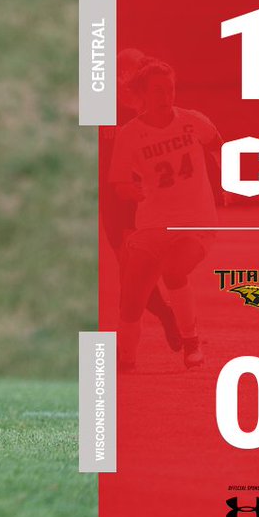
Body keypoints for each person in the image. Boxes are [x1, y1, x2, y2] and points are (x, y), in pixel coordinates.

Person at [109, 58, 223, 371]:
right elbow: (119, 183)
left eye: (170, 88)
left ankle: (192, 343)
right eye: (158, 90)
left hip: (196, 221)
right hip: (152, 224)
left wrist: (229, 179)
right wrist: (131, 190)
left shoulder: (192, 121)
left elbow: (217, 144)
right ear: (143, 95)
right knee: (132, 297)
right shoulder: (129, 134)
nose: (166, 95)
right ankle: (126, 359)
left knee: (174, 270)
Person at [99, 48, 182, 351]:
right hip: (110, 198)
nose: (122, 77)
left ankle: (136, 342)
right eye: (119, 71)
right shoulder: (101, 109)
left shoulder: (152, 112)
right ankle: (167, 314)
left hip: (138, 197)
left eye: (129, 71)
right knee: (128, 274)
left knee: (135, 270)